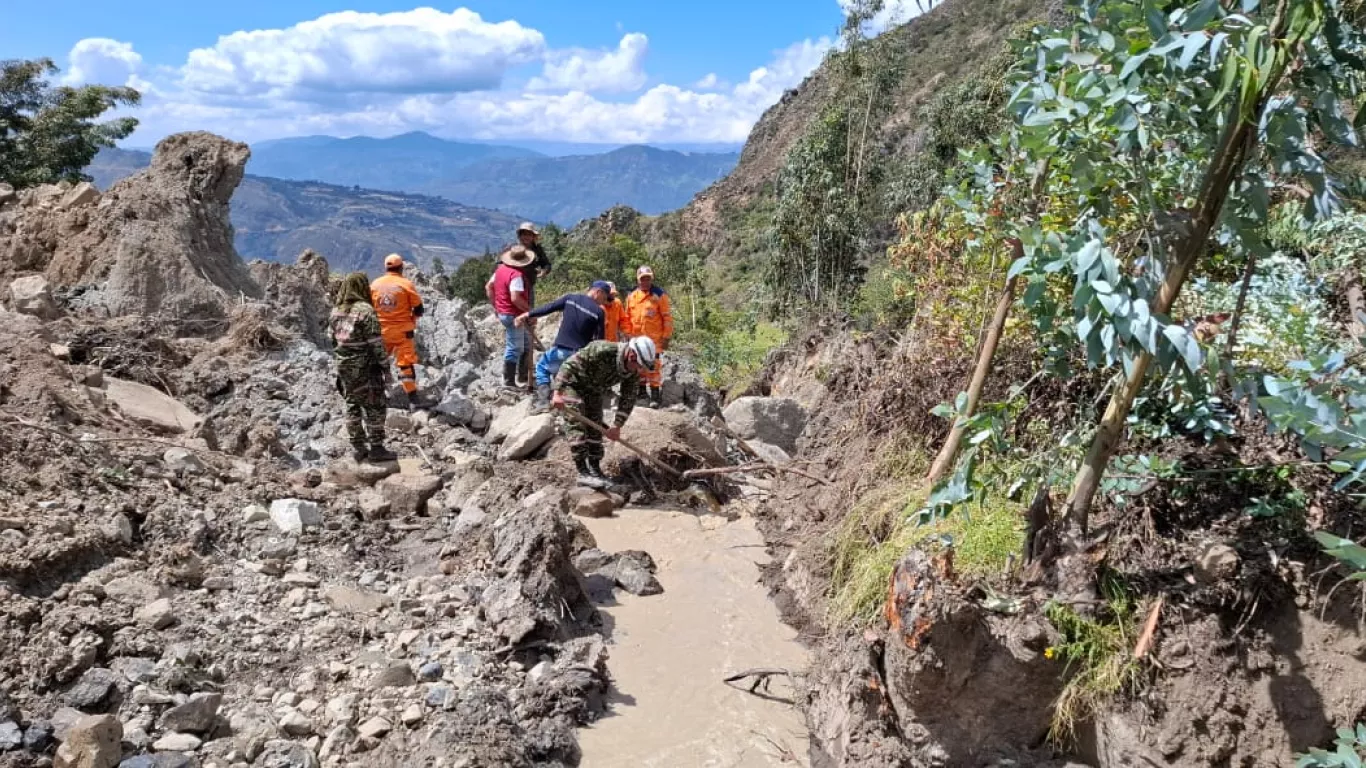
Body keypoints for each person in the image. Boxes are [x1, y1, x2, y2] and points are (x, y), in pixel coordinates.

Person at [551, 337, 657, 489]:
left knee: (595, 428)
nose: (638, 370)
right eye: (638, 365)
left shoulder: (632, 372)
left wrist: (617, 426)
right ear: (631, 355)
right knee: (576, 424)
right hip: (573, 384)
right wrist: (557, 392)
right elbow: (569, 365)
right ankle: (583, 472)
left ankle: (595, 470)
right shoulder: (602, 350)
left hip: (594, 391)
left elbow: (628, 398)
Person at [329, 272, 398, 462]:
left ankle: (358, 447)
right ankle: (376, 448)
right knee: (375, 405)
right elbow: (376, 343)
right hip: (366, 367)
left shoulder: (335, 311)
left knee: (352, 405)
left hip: (344, 367)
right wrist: (385, 367)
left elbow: (332, 340)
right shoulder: (366, 310)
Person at [516, 281, 610, 413]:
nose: (604, 302)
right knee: (569, 378)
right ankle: (568, 403)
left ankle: (543, 402)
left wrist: (527, 314)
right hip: (579, 357)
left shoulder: (571, 298)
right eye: (604, 298)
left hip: (561, 351)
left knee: (542, 368)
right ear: (598, 292)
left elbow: (550, 307)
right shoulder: (599, 312)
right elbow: (599, 341)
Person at [370, 254, 425, 403]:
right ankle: (413, 401)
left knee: (378, 362)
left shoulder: (375, 285)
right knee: (405, 364)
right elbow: (419, 309)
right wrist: (412, 319)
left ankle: (376, 396)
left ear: (386, 268)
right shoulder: (406, 284)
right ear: (401, 268)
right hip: (403, 332)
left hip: (381, 332)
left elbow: (370, 308)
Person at [485, 245, 536, 390]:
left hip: (505, 313)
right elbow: (515, 298)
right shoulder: (516, 275)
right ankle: (509, 381)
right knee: (514, 347)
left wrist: (496, 306)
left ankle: (523, 375)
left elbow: (488, 287)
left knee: (526, 342)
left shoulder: (499, 270)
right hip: (514, 314)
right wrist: (531, 311)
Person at [623, 265, 673, 408]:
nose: (645, 281)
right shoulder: (631, 296)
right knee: (638, 366)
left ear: (651, 279)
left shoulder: (659, 295)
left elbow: (667, 317)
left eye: (648, 278)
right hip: (636, 340)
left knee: (654, 366)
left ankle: (655, 394)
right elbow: (626, 317)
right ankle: (642, 392)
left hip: (654, 340)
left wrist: (666, 337)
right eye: (643, 279)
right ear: (638, 280)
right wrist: (627, 334)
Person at [515, 223, 552, 388]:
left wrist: (543, 272)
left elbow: (547, 264)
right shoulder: (514, 250)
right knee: (518, 331)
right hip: (515, 289)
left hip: (528, 289)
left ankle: (525, 372)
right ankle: (519, 371)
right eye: (523, 234)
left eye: (528, 235)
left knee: (529, 327)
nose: (526, 237)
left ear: (533, 236)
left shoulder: (537, 250)